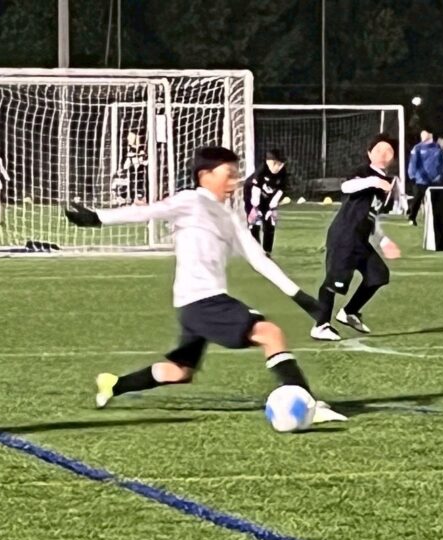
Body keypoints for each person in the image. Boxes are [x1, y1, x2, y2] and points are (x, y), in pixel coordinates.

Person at [62, 146, 342, 423]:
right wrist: (97, 217)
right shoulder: (191, 200)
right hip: (202, 300)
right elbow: (149, 211)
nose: (234, 182)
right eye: (228, 174)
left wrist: (299, 296)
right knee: (270, 333)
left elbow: (259, 259)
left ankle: (114, 384)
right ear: (205, 175)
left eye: (236, 175)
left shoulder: (230, 217)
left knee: (179, 372)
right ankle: (307, 402)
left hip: (197, 303)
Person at [311, 134, 402, 341]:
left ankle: (349, 312)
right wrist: (374, 181)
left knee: (378, 275)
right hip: (344, 236)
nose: (383, 154)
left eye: (388, 151)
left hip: (360, 239)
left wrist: (383, 240)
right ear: (369, 153)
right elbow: (346, 187)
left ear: (394, 157)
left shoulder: (386, 184)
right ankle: (321, 325)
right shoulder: (364, 172)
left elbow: (371, 216)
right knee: (334, 282)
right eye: (378, 150)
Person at [243, 149, 289, 256]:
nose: (278, 167)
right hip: (251, 195)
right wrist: (255, 208)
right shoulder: (261, 170)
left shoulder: (283, 173)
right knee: (255, 222)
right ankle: (255, 250)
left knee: (270, 222)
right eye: (275, 164)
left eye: (280, 164)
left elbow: (281, 190)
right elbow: (255, 190)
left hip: (268, 198)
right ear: (269, 162)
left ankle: (267, 251)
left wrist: (272, 208)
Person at [406, 129, 443, 225]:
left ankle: (437, 219)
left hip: (435, 179)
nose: (423, 137)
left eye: (426, 135)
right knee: (418, 198)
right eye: (423, 135)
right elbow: (413, 163)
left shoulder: (437, 147)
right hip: (421, 179)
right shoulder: (417, 148)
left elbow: (442, 162)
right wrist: (412, 174)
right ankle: (412, 217)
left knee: (437, 199)